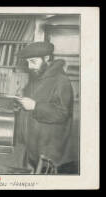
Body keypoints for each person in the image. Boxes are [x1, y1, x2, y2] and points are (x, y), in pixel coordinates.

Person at [14, 42, 75, 173]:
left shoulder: (61, 80)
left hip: (49, 150)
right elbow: (33, 100)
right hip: (33, 146)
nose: (30, 66)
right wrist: (21, 99)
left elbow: (62, 113)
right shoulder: (37, 77)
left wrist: (35, 106)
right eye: (27, 62)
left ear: (47, 58)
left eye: (33, 61)